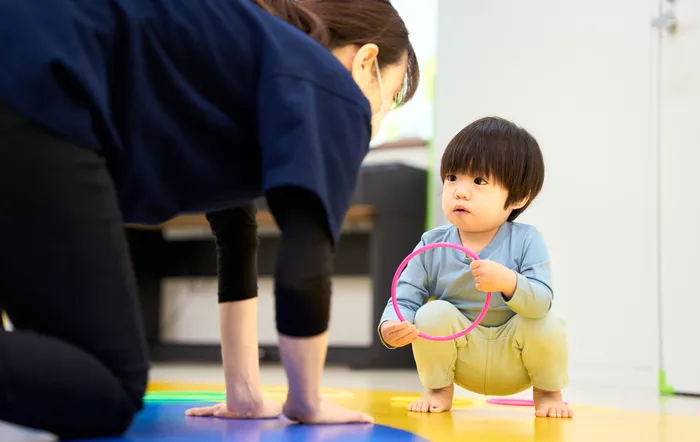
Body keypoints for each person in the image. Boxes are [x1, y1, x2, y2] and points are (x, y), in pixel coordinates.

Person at [0, 0, 419, 439]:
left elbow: (236, 229)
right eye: (388, 100)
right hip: (42, 86)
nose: (377, 119)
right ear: (366, 62)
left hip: (30, 70)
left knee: (63, 354)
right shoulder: (331, 87)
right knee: (108, 382)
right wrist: (306, 398)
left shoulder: (244, 58)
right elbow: (304, 266)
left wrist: (244, 392)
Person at [377, 117, 573, 419]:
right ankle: (438, 390)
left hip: (514, 358)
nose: (460, 191)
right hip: (463, 357)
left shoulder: (526, 240)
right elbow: (405, 294)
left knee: (548, 322)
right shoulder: (432, 243)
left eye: (479, 182)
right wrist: (391, 325)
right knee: (431, 313)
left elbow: (542, 301)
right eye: (453, 178)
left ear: (518, 197)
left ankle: (548, 393)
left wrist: (509, 282)